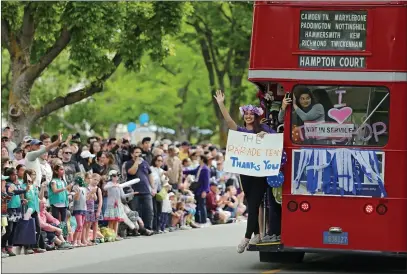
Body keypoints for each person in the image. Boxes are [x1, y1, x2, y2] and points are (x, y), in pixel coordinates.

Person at [214, 89, 286, 253]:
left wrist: (265, 136)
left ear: (256, 116)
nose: (248, 116)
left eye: (251, 114)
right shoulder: (240, 131)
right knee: (252, 205)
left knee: (253, 205)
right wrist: (220, 104)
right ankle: (256, 233)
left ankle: (247, 237)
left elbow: (277, 141)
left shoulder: (265, 129)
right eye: (246, 114)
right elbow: (228, 121)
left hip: (260, 175)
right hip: (245, 175)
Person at [126, 146, 155, 230]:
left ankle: (148, 227)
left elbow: (150, 175)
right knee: (135, 211)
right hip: (135, 191)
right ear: (132, 154)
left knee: (149, 210)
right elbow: (132, 172)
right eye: (136, 152)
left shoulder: (145, 163)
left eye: (139, 152)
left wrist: (153, 187)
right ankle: (136, 229)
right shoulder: (129, 163)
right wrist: (136, 162)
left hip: (146, 190)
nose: (138, 154)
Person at [183, 155, 210, 224]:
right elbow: (193, 171)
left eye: (199, 158)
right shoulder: (199, 167)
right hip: (197, 188)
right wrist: (183, 171)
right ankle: (198, 220)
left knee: (201, 205)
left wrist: (205, 191)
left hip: (201, 189)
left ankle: (203, 221)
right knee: (197, 205)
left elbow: (206, 181)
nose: (198, 159)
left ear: (202, 159)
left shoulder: (205, 169)